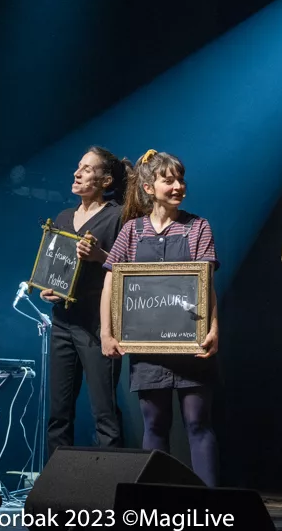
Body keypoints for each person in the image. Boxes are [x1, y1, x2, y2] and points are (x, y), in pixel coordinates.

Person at [100, 150, 220, 487]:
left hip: (191, 346)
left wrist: (214, 328)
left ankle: (210, 506)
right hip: (148, 349)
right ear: (149, 188)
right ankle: (154, 503)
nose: (178, 186)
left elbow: (207, 284)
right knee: (154, 424)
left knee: (198, 422)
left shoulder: (197, 227)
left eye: (181, 179)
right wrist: (107, 333)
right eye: (169, 180)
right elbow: (111, 283)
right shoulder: (132, 231)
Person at [39, 146, 130, 457]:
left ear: (105, 180)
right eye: (78, 167)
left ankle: (109, 477)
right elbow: (55, 267)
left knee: (104, 410)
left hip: (96, 324)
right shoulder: (64, 217)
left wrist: (100, 255)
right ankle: (57, 477)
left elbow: (131, 271)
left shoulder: (117, 216)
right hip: (63, 321)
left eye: (87, 169)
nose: (77, 174)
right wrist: (48, 288)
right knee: (59, 411)